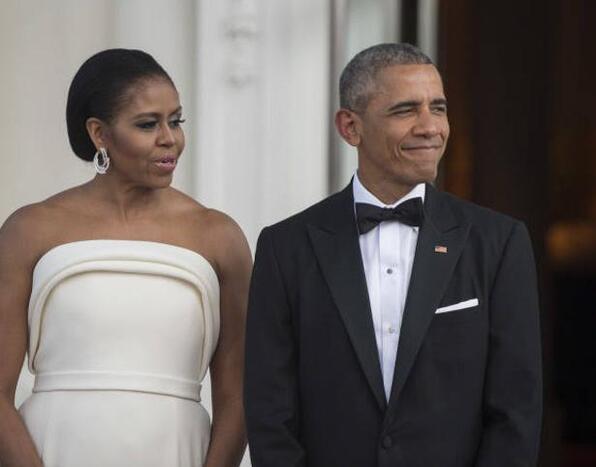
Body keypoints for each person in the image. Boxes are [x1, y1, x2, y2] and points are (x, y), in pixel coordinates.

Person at [244, 43, 542, 467]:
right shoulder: (285, 247)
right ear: (350, 127)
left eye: (437, 108)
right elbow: (270, 411)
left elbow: (517, 409)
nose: (430, 127)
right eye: (406, 110)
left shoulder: (499, 242)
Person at [0, 49, 251, 467]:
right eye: (148, 124)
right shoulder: (30, 229)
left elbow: (239, 394)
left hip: (176, 450)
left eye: (176, 120)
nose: (170, 138)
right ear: (99, 133)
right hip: (53, 447)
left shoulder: (218, 236)